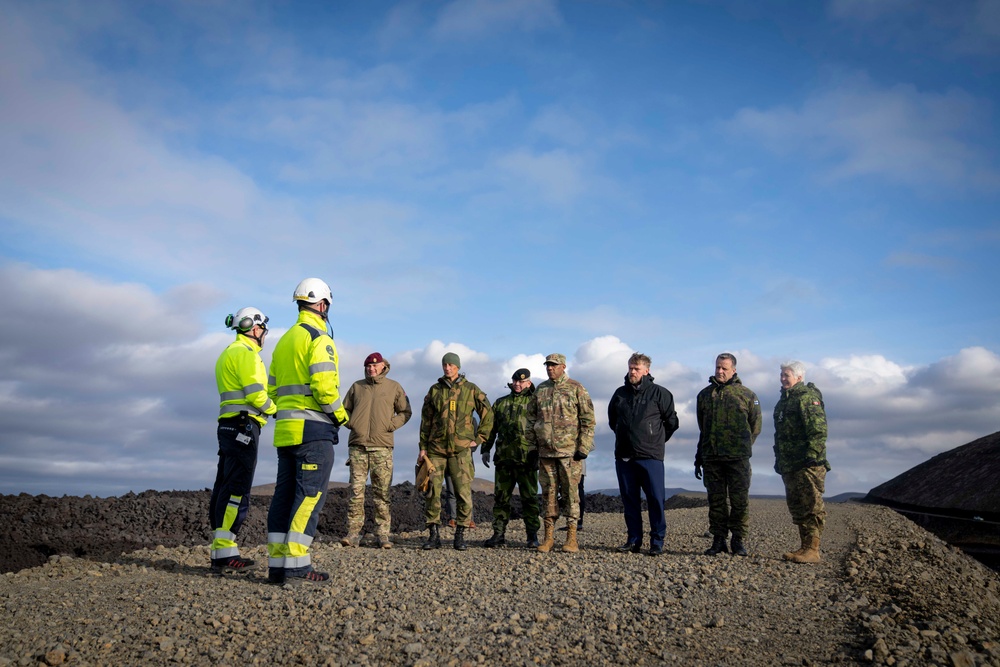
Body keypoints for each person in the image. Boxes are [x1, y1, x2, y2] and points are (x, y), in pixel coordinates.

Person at [266, 278, 348, 585]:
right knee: (309, 496)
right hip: (313, 431)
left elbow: (272, 390)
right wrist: (341, 417)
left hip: (285, 432)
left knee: (283, 497)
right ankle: (297, 566)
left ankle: (277, 567)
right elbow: (325, 389)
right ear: (323, 305)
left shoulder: (284, 341)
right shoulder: (320, 339)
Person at [210, 307, 276, 573]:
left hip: (228, 426)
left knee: (224, 487)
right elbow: (255, 395)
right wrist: (277, 410)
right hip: (243, 426)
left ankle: (221, 552)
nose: (264, 335)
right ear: (255, 328)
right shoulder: (246, 354)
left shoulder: (228, 352)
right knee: (237, 489)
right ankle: (225, 555)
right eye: (263, 330)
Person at [417, 352, 493, 551]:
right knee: (433, 491)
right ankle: (433, 535)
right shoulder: (435, 390)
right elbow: (425, 421)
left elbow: (488, 414)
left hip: (460, 451)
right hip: (436, 450)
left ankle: (460, 534)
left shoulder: (471, 389)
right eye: (445, 365)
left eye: (451, 365)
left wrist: (478, 439)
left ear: (458, 367)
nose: (447, 368)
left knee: (462, 492)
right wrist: (423, 448)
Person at [608, 352, 679, 556]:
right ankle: (633, 540)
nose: (632, 371)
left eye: (636, 368)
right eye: (630, 367)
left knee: (656, 499)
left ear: (646, 370)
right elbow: (613, 421)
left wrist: (654, 439)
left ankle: (657, 541)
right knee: (630, 500)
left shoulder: (660, 393)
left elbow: (672, 422)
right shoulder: (620, 393)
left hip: (651, 456)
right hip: (624, 456)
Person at [340, 352, 412, 549]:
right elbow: (343, 409)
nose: (371, 369)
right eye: (368, 366)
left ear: (383, 366)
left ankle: (383, 535)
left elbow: (405, 412)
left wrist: (390, 425)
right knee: (356, 492)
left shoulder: (394, 387)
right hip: (358, 446)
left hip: (382, 447)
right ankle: (353, 534)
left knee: (382, 493)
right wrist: (352, 423)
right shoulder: (357, 387)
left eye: (375, 366)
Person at [526, 353, 595, 553]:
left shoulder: (576, 388)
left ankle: (571, 537)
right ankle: (548, 538)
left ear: (563, 366)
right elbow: (530, 420)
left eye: (554, 365)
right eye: (548, 365)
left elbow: (588, 419)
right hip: (546, 453)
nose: (550, 368)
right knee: (548, 495)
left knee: (571, 495)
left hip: (569, 453)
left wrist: (584, 447)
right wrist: (532, 448)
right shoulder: (541, 390)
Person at [694, 353, 762, 557]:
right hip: (712, 458)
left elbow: (755, 427)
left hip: (737, 459)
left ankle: (738, 541)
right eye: (717, 367)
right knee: (716, 501)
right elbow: (702, 427)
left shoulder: (747, 395)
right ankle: (718, 540)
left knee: (739, 501)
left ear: (734, 370)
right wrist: (700, 456)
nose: (720, 371)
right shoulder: (704, 395)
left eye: (724, 368)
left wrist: (740, 447)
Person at [773, 360, 830, 564]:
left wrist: (812, 456)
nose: (782, 378)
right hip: (790, 463)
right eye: (781, 375)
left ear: (799, 377)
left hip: (807, 463)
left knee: (811, 505)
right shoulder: (784, 401)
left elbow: (818, 429)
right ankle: (805, 546)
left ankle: (813, 550)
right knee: (797, 506)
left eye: (786, 375)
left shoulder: (807, 398)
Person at [482, 368, 541, 548]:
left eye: (521, 382)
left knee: (529, 499)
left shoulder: (535, 402)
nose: (517, 384)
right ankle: (498, 534)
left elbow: (543, 429)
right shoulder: (501, 403)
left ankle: (532, 536)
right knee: (501, 499)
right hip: (504, 459)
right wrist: (486, 449)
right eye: (515, 381)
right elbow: (491, 428)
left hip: (527, 459)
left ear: (528, 383)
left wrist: (541, 454)